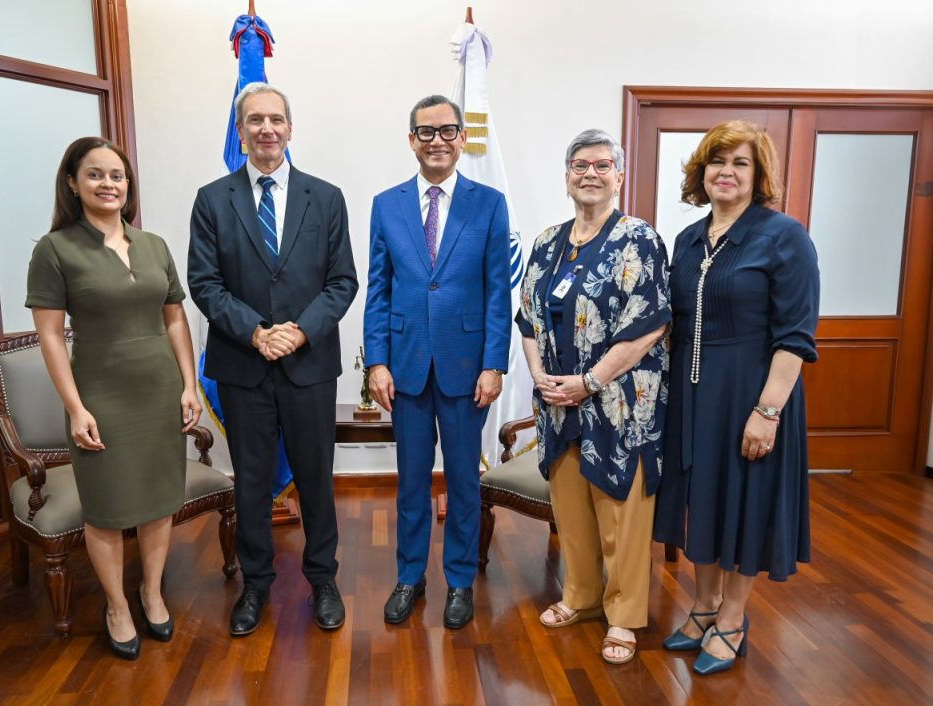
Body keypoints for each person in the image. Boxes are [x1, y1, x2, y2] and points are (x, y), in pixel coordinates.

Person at [188, 83, 358, 636]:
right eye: (255, 120)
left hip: (309, 366)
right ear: (240, 132)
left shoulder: (326, 197)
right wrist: (257, 334)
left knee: (315, 479)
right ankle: (255, 585)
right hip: (243, 365)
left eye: (276, 119)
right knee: (252, 481)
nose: (267, 128)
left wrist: (299, 333)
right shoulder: (213, 199)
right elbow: (204, 284)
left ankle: (323, 579)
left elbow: (341, 282)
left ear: (290, 128)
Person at [653, 120, 820, 675]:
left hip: (752, 392)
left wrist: (767, 411)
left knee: (744, 501)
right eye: (717, 162)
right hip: (692, 396)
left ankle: (732, 617)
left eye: (740, 163)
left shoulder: (783, 236)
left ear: (758, 174)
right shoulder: (687, 239)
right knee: (701, 499)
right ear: (701, 172)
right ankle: (701, 607)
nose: (726, 172)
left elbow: (795, 336)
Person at [26, 137, 201, 660]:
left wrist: (189, 384)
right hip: (100, 393)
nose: (109, 184)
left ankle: (151, 592)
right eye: (96, 175)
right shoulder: (53, 249)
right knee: (105, 507)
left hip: (159, 387)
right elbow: (52, 335)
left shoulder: (153, 246)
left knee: (157, 499)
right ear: (73, 184)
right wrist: (76, 407)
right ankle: (117, 605)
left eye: (118, 176)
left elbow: (175, 317)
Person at [515, 129, 671, 664]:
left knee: (621, 511)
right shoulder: (547, 242)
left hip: (620, 403)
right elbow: (529, 318)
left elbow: (648, 326)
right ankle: (579, 596)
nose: (590, 174)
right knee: (571, 506)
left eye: (602, 166)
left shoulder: (639, 239)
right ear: (566, 176)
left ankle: (624, 615)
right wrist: (541, 376)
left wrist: (590, 381)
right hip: (558, 402)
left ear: (619, 176)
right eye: (580, 165)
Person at [363, 95, 511, 629]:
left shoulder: (488, 203)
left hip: (467, 368)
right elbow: (378, 289)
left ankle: (459, 582)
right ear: (411, 140)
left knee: (464, 485)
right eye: (426, 132)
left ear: (461, 138)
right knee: (410, 482)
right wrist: (375, 362)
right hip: (404, 368)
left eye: (448, 130)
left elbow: (498, 291)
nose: (438, 141)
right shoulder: (386, 203)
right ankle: (409, 577)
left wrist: (495, 362)